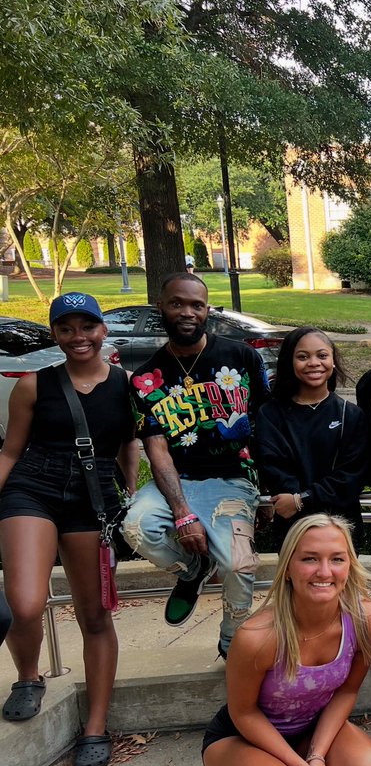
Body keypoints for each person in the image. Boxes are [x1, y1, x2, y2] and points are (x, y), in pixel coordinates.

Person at [201, 514, 371, 766]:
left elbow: (347, 691)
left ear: (350, 566)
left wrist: (317, 757)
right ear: (288, 567)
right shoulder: (257, 636)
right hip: (243, 735)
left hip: (311, 728)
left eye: (337, 558)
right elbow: (243, 711)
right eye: (310, 559)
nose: (324, 571)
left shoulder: (369, 620)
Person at [0, 292, 138, 766]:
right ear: (55, 334)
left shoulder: (126, 386)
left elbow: (129, 447)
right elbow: (9, 451)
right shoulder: (34, 385)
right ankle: (28, 676)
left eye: (87, 327)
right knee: (25, 602)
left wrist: (132, 499)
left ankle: (96, 727)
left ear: (102, 330)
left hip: (93, 497)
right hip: (32, 487)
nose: (78, 337)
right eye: (66, 328)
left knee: (95, 616)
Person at [123, 272, 270, 658]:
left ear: (207, 310)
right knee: (137, 528)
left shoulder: (242, 358)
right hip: (179, 478)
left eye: (197, 305)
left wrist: (270, 488)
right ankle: (192, 569)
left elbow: (267, 425)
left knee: (239, 566)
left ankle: (232, 643)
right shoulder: (146, 379)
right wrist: (182, 512)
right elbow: (156, 448)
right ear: (162, 308)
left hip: (233, 479)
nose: (187, 312)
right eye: (177, 304)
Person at [257, 327, 368, 546]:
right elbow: (274, 470)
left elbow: (350, 478)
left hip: (342, 529)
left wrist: (301, 500)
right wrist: (295, 502)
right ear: (290, 362)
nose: (314, 362)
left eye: (322, 355)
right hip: (293, 530)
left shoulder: (351, 415)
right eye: (303, 356)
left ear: (333, 360)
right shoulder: (270, 415)